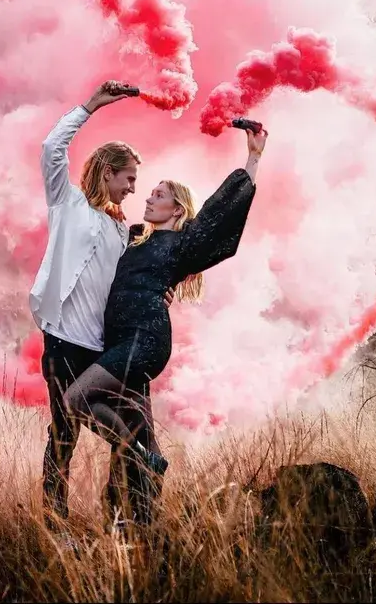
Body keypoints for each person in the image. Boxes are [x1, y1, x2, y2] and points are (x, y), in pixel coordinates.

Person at [61, 125, 267, 501]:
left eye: (159, 195)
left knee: (76, 399)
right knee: (140, 426)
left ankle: (141, 460)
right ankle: (140, 516)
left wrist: (253, 158)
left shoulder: (181, 244)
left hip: (145, 340)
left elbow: (221, 214)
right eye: (149, 192)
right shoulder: (133, 236)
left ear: (177, 209)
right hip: (120, 340)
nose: (148, 197)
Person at [29, 80, 173, 534]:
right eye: (129, 178)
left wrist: (158, 293)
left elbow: (133, 282)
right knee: (63, 435)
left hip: (105, 351)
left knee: (126, 429)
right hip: (64, 342)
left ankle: (124, 520)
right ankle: (55, 524)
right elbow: (53, 147)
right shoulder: (68, 204)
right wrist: (91, 106)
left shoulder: (123, 233)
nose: (133, 188)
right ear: (108, 172)